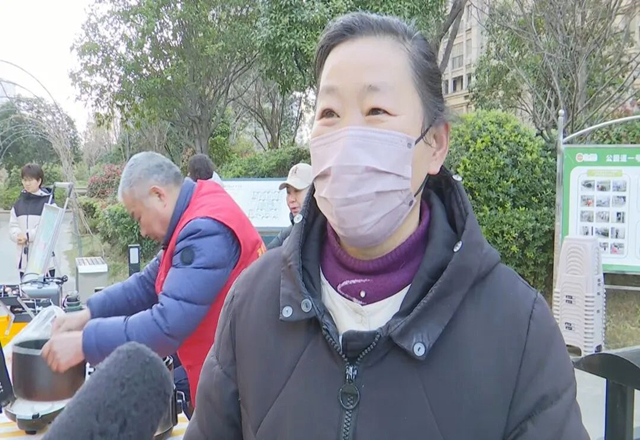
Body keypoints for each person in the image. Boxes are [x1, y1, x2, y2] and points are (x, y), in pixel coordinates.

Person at [185, 13, 588, 440]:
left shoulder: (518, 329)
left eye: (376, 110)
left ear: (435, 144)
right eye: (329, 112)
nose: (347, 140)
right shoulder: (252, 302)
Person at [42, 152, 265, 415]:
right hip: (225, 373)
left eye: (138, 217)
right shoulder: (194, 213)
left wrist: (85, 343)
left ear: (159, 195)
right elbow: (145, 285)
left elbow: (166, 326)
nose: (143, 231)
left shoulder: (205, 230)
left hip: (243, 390)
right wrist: (87, 314)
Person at [9, 163, 55, 279]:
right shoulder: (18, 204)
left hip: (43, 263)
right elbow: (13, 226)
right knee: (25, 290)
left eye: (30, 180)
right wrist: (17, 235)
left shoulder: (49, 203)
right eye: (25, 180)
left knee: (45, 291)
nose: (27, 183)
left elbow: (48, 228)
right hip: (24, 262)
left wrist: (28, 236)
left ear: (39, 181)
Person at [267, 162, 313, 249]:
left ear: (314, 191)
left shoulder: (331, 233)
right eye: (288, 192)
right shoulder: (285, 236)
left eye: (297, 190)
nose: (291, 199)